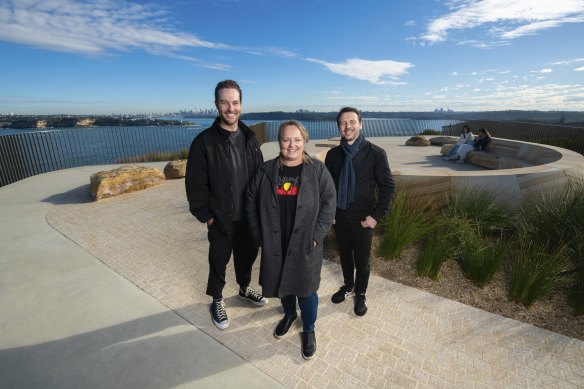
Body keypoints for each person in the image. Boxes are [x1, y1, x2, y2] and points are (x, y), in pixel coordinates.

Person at [246, 120, 336, 360]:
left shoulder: (317, 170)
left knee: (306, 291)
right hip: (276, 243)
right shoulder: (266, 171)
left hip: (305, 245)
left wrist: (316, 236)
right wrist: (259, 236)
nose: (291, 145)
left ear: (304, 141)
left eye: (297, 139)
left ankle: (309, 329)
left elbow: (329, 203)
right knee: (282, 287)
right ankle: (289, 315)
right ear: (279, 142)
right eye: (286, 139)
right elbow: (250, 203)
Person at [185, 80, 267, 331]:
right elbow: (195, 184)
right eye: (225, 102)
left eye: (235, 102)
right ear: (216, 105)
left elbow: (260, 174)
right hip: (221, 218)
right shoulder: (204, 142)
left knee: (247, 257)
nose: (230, 108)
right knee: (218, 261)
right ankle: (217, 300)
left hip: (249, 217)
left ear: (241, 104)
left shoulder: (250, 137)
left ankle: (243, 289)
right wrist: (207, 216)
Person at [325, 107, 396, 316]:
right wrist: (329, 213)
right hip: (339, 218)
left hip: (363, 219)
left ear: (361, 124)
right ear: (339, 126)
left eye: (352, 122)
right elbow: (327, 189)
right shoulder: (333, 155)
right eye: (343, 123)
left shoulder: (375, 154)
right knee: (344, 255)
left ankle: (361, 293)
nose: (348, 126)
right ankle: (348, 286)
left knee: (362, 261)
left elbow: (388, 187)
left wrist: (376, 217)